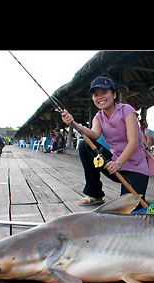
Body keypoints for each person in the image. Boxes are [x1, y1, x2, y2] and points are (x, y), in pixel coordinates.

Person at [61, 76, 149, 208]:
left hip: (134, 167)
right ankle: (94, 193)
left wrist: (118, 163)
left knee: (128, 207)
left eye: (104, 92)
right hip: (113, 165)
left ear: (114, 94)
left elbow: (134, 143)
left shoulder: (127, 110)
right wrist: (73, 124)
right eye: (96, 94)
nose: (100, 97)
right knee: (85, 146)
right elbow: (94, 135)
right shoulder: (98, 116)